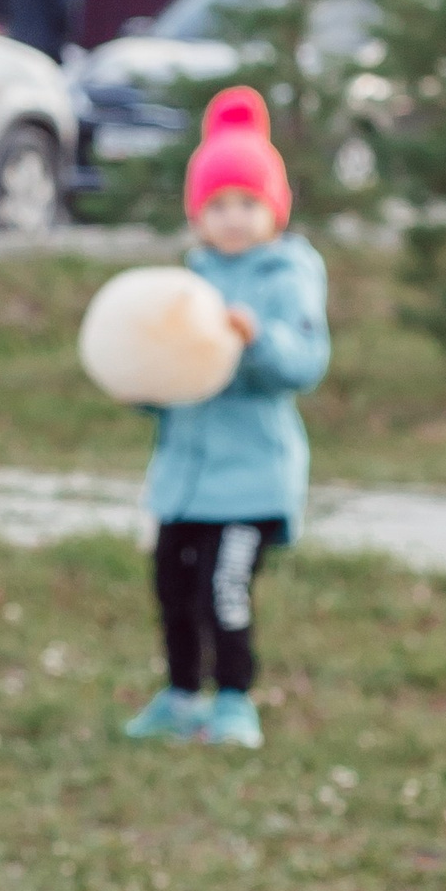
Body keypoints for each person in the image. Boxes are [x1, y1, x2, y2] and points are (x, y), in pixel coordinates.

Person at [123, 87, 329, 750]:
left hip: (250, 480)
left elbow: (304, 362)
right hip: (184, 476)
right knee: (173, 587)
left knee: (224, 588)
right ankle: (182, 695)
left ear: (273, 209)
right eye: (218, 205)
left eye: (248, 202)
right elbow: (174, 372)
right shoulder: (188, 281)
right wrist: (143, 382)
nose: (233, 218)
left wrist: (256, 337)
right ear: (198, 215)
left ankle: (235, 699)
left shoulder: (286, 277)